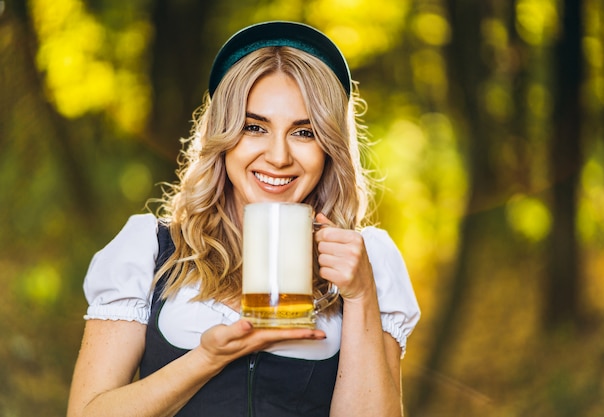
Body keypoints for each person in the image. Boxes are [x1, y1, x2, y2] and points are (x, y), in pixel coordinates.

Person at [67, 21, 420, 417]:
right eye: (255, 127)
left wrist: (360, 295)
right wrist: (205, 359)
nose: (278, 156)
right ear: (223, 135)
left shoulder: (367, 260)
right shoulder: (149, 250)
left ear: (329, 148)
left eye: (304, 132)